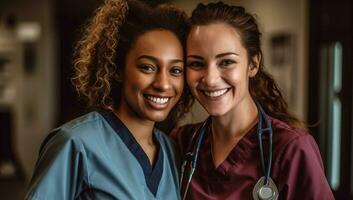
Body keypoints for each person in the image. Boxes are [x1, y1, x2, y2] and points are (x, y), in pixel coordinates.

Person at [25, 0, 193, 199]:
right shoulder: (76, 143)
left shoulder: (172, 151)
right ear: (118, 70)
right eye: (147, 67)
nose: (163, 84)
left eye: (175, 71)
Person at [171, 2, 335, 200]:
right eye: (197, 63)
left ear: (253, 64)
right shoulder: (181, 143)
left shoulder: (291, 149)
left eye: (226, 62)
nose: (211, 79)